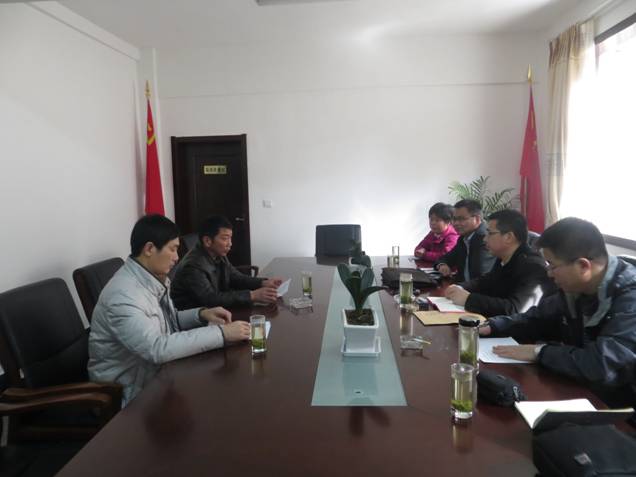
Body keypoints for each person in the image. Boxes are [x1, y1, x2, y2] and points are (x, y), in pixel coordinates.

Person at [88, 215, 251, 406]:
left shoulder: (150, 278)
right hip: (127, 394)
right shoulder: (123, 295)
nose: (177, 257)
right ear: (149, 249)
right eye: (172, 249)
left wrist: (200, 314)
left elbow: (166, 321)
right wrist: (222, 333)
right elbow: (156, 348)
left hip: (156, 374)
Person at [480, 217, 636, 407]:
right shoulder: (575, 288)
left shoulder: (630, 300)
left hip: (619, 408)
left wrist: (540, 352)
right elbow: (538, 318)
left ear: (583, 266)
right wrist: (494, 326)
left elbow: (601, 364)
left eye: (552, 265)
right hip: (580, 390)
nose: (549, 273)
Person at [445, 209, 555, 317]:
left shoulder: (532, 266)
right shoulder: (504, 256)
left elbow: (515, 309)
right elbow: (486, 281)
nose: (484, 239)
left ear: (508, 237)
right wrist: (460, 287)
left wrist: (468, 299)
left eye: (490, 233)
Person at [171, 216, 283, 310]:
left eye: (230, 238)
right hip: (196, 319)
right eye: (225, 239)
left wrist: (262, 283)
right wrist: (252, 295)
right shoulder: (193, 266)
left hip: (216, 311)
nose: (230, 244)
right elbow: (209, 299)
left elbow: (235, 277)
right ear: (207, 241)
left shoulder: (218, 254)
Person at [435, 199, 496, 282]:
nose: (456, 223)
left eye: (461, 219)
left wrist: (460, 287)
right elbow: (446, 258)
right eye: (454, 219)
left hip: (477, 289)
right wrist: (442, 265)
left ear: (477, 219)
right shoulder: (463, 238)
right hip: (463, 286)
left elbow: (481, 277)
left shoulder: (484, 239)